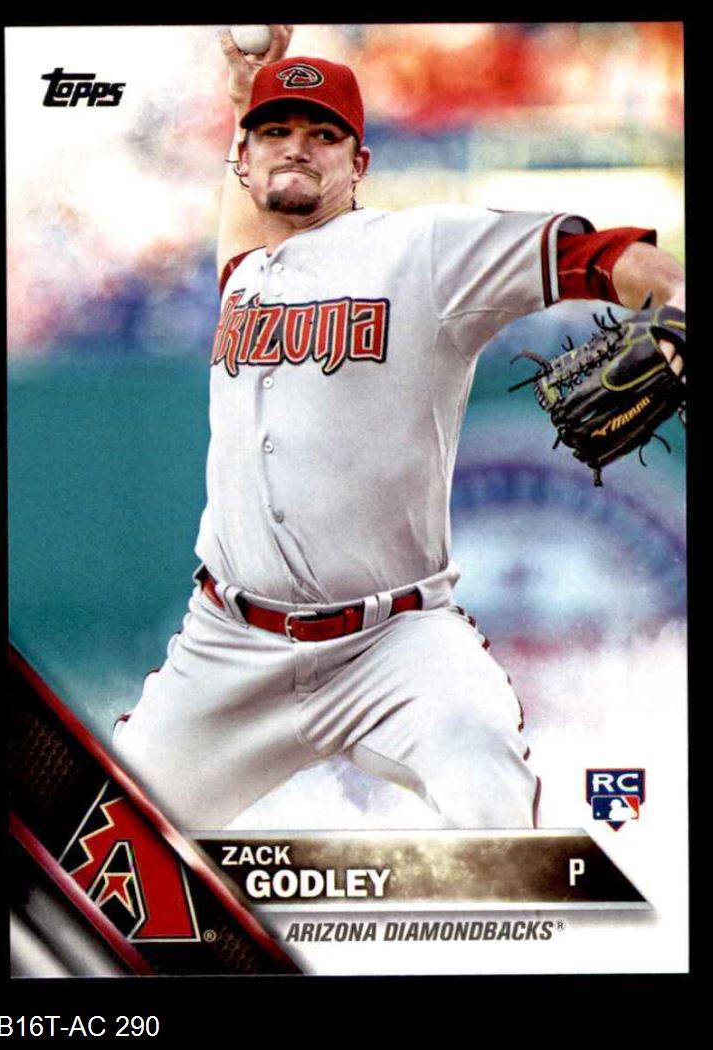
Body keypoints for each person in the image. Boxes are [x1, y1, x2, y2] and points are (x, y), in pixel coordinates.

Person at [113, 27, 685, 834]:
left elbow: (594, 253)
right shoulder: (243, 272)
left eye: (322, 134)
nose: (296, 147)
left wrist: (674, 306)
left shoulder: (421, 250)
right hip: (228, 648)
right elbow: (247, 220)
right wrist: (244, 96)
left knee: (487, 792)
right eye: (276, 131)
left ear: (359, 163)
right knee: (99, 844)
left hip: (394, 643)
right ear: (242, 158)